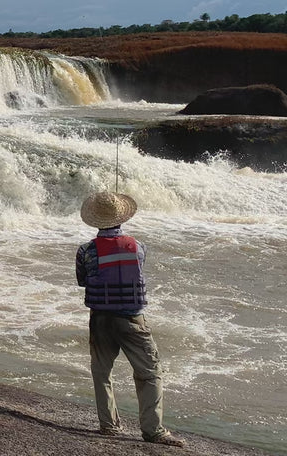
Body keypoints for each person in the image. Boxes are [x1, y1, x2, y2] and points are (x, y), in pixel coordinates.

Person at [75, 191, 185, 447]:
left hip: (101, 318)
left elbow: (82, 281)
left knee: (102, 372)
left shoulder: (86, 251)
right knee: (150, 373)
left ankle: (109, 426)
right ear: (121, 218)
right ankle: (153, 430)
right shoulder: (138, 247)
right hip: (132, 318)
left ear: (95, 221)